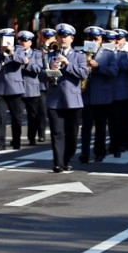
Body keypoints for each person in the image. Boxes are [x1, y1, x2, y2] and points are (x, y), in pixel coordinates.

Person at [44, 24, 88, 172]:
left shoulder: (79, 56)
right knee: (57, 133)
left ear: (72, 38)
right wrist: (51, 70)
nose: (62, 39)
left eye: (65, 36)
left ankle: (68, 159)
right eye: (60, 36)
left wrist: (67, 64)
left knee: (72, 135)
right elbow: (40, 75)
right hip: (54, 100)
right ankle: (58, 162)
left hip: (72, 100)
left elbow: (83, 74)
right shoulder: (50, 55)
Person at [79, 25, 117, 163]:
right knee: (86, 127)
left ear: (101, 39)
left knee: (100, 127)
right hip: (86, 96)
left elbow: (114, 72)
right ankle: (84, 153)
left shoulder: (108, 54)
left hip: (102, 96)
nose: (93, 41)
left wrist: (99, 66)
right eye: (90, 38)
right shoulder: (80, 53)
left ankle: (100, 152)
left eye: (96, 38)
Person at [0, 28, 24, 150]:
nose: (6, 41)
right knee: (0, 117)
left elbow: (22, 61)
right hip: (0, 88)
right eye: (3, 39)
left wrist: (12, 53)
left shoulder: (19, 49)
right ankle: (1, 143)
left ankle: (16, 141)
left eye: (9, 38)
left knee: (17, 117)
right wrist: (1, 54)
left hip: (15, 88)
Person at [18, 30, 43, 145]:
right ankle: (16, 138)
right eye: (21, 40)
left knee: (33, 116)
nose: (23, 43)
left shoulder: (36, 54)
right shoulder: (15, 53)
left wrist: (27, 64)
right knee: (17, 115)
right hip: (17, 87)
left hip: (31, 88)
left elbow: (38, 69)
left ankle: (32, 137)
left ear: (30, 43)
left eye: (26, 41)